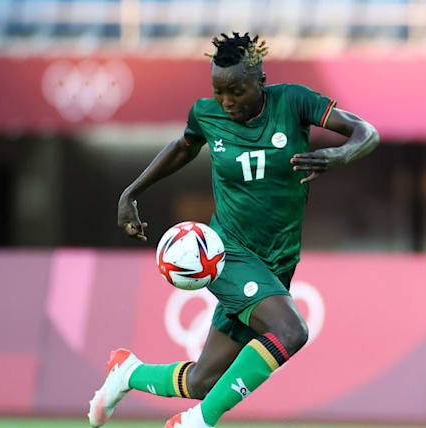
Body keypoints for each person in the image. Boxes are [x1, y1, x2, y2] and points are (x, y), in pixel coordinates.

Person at [88, 32, 379, 428]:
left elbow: (366, 132)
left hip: (277, 259)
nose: (227, 101)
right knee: (290, 331)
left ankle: (127, 372)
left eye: (237, 91)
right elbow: (183, 147)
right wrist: (130, 192)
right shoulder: (206, 115)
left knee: (203, 381)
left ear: (261, 81)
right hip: (226, 253)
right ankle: (198, 422)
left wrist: (339, 154)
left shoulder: (293, 102)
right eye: (219, 91)